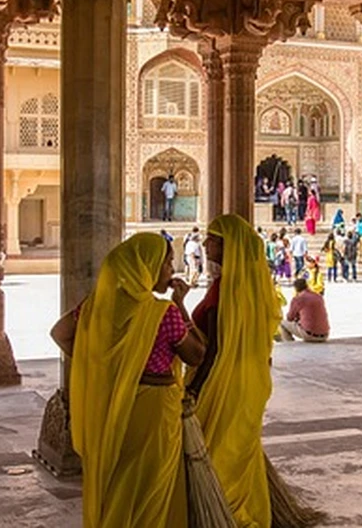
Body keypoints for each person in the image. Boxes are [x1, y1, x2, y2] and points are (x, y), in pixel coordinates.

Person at [51, 232, 207, 528]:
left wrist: (101, 365)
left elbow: (60, 333)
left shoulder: (98, 306)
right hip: (153, 410)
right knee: (150, 486)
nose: (170, 271)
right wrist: (180, 303)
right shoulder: (163, 313)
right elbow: (196, 354)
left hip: (111, 403)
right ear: (146, 267)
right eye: (166, 263)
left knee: (118, 479)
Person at [188, 214, 320, 527]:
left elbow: (214, 348)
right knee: (239, 449)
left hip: (223, 381)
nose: (206, 244)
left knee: (219, 453)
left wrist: (194, 388)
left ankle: (226, 515)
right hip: (249, 381)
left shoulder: (225, 290)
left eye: (212, 240)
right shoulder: (249, 285)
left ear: (227, 245)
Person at [278, 278, 330, 343]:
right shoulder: (318, 296)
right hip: (325, 334)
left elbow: (290, 318)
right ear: (307, 285)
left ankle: (290, 344)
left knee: (282, 323)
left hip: (310, 335)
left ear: (296, 289)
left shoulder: (298, 299)